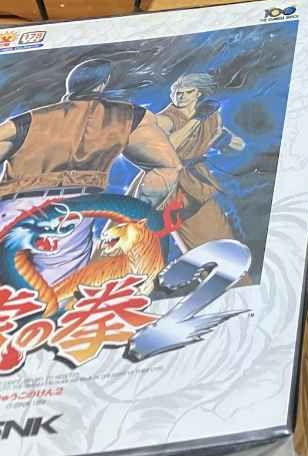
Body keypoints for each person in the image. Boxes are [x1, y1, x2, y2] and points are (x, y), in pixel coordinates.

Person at [0, 59, 181, 286]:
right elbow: (168, 167)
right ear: (102, 85)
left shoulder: (27, 121)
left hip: (13, 206)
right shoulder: (125, 117)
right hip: (71, 211)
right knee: (54, 294)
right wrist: (137, 212)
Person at [153, 73, 246, 253]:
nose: (180, 96)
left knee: (220, 232)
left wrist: (222, 139)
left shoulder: (211, 117)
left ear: (198, 93)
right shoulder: (164, 119)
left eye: (187, 92)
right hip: (168, 184)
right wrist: (197, 120)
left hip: (198, 182)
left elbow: (239, 146)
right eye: (177, 92)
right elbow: (165, 147)